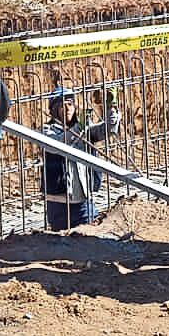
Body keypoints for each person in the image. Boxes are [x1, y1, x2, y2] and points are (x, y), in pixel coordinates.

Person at [41, 86, 120, 230]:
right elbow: (57, 144)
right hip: (59, 203)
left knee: (91, 237)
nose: (68, 109)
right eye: (63, 105)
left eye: (70, 104)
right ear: (54, 110)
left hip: (83, 201)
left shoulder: (83, 128)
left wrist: (111, 110)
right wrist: (80, 127)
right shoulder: (47, 130)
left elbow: (106, 131)